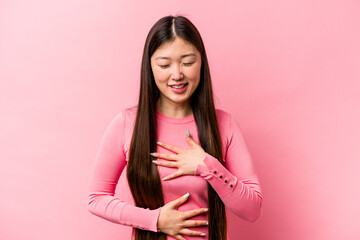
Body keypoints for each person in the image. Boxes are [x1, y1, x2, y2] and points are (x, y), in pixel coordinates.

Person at [87, 15, 263, 240]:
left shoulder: (224, 124)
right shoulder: (127, 124)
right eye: (164, 64)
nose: (177, 74)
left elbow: (253, 209)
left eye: (188, 62)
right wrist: (155, 220)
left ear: (202, 63)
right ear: (150, 67)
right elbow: (96, 198)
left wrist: (207, 165)